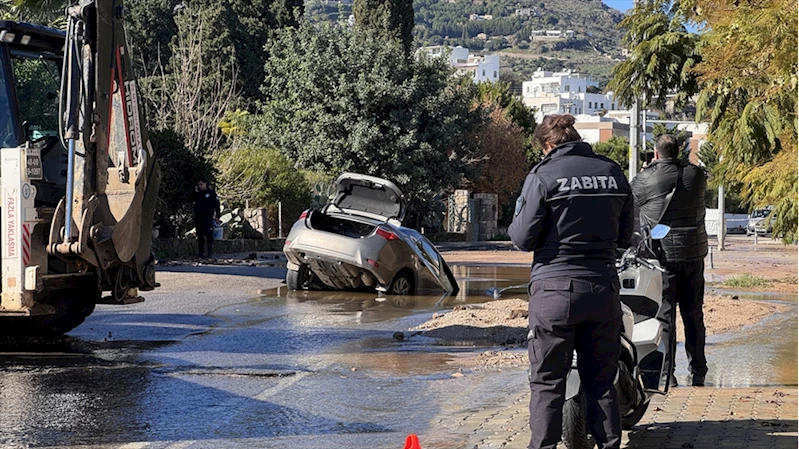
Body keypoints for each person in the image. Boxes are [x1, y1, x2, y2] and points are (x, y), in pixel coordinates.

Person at [509, 114, 633, 449]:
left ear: (548, 145)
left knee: (548, 383)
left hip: (554, 292)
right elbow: (626, 235)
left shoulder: (542, 176)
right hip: (602, 289)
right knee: (601, 383)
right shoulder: (612, 172)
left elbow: (522, 238)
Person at [630, 134, 708, 387]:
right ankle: (698, 371)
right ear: (679, 151)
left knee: (665, 317)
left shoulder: (645, 178)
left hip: (662, 257)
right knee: (694, 316)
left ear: (655, 153)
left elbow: (631, 205)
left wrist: (647, 170)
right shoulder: (696, 175)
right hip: (694, 254)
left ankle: (667, 373)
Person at [190, 179, 221, 259]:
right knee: (200, 235)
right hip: (198, 217)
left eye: (201, 184)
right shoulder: (197, 194)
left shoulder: (211, 193)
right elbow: (191, 200)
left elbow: (217, 205)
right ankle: (201, 253)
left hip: (207, 217)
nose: (200, 186)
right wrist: (195, 192)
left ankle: (209, 253)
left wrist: (217, 216)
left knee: (208, 234)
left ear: (205, 184)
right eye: (198, 185)